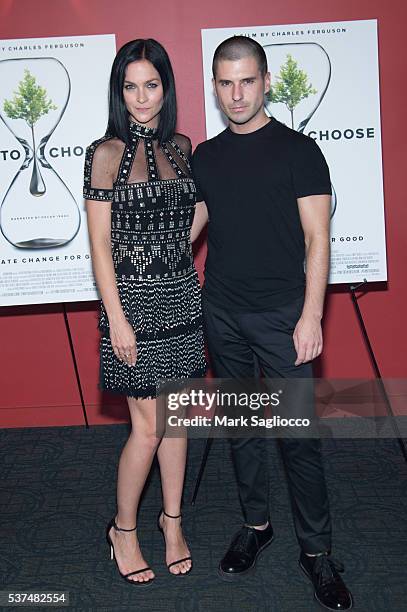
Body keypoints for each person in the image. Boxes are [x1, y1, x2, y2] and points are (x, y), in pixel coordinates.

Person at [190, 36, 353, 610]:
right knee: (242, 430)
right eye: (226, 83)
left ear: (265, 82)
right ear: (215, 87)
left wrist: (312, 316)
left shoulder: (300, 151)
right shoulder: (205, 158)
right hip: (223, 313)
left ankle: (317, 553)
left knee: (297, 440)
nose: (237, 94)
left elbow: (318, 238)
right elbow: (194, 229)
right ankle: (256, 525)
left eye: (247, 81)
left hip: (286, 319)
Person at [83, 38, 206, 586]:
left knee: (176, 421)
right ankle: (124, 530)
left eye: (150, 85)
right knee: (148, 427)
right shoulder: (104, 153)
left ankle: (172, 523)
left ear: (165, 87)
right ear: (119, 90)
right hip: (131, 304)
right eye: (130, 86)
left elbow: (198, 208)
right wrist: (117, 319)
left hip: (181, 294)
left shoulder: (181, 145)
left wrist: (173, 246)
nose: (141, 97)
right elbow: (100, 247)